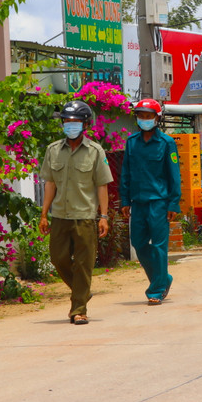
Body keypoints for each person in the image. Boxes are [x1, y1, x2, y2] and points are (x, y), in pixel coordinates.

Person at [39, 100, 113, 325]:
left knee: (84, 263)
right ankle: (82, 290)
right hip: (60, 215)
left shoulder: (95, 151)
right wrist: (44, 214)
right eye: (67, 122)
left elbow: (102, 185)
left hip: (85, 217)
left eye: (75, 122)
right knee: (58, 258)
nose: (70, 126)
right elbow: (50, 184)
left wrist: (104, 216)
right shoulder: (53, 150)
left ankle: (78, 309)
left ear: (85, 124)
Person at [120, 98, 181, 305]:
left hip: (159, 203)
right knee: (138, 243)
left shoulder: (166, 143)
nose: (144, 119)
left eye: (148, 116)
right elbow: (125, 173)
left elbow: (174, 175)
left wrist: (174, 203)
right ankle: (163, 278)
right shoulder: (131, 142)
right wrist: (124, 200)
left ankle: (156, 290)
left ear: (157, 118)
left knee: (159, 246)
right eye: (141, 116)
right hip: (138, 202)